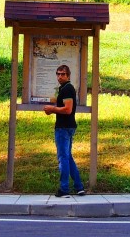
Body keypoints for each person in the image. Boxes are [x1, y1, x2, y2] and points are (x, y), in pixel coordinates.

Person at [43, 64, 86, 196]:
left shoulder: (67, 89)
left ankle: (64, 189)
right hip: (68, 126)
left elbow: (67, 109)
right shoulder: (64, 88)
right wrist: (53, 109)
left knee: (62, 158)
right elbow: (63, 107)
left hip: (63, 127)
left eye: (63, 74)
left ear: (68, 76)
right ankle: (79, 187)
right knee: (68, 158)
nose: (60, 76)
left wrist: (52, 109)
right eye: (58, 74)